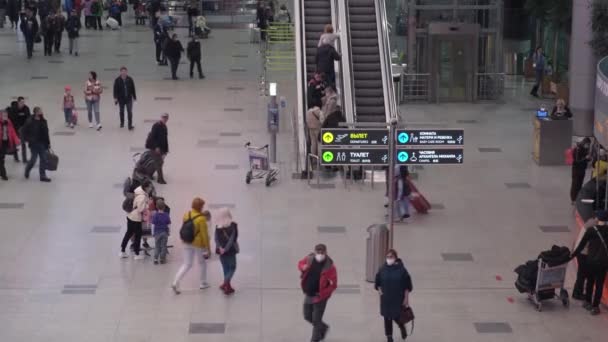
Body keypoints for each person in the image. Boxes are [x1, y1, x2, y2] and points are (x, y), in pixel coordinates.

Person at [571, 210, 608, 315]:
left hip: (590, 261)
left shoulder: (591, 230)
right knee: (599, 285)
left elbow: (581, 246)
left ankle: (587, 302)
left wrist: (572, 255)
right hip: (603, 263)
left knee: (590, 282)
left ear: (598, 219)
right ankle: (595, 306)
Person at [297, 244, 337, 342]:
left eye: (322, 252)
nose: (320, 254)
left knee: (316, 320)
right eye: (318, 252)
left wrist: (323, 294)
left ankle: (315, 339)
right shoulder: (309, 259)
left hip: (320, 297)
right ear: (315, 252)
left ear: (326, 252)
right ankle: (323, 327)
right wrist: (303, 267)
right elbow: (300, 264)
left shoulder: (330, 267)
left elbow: (333, 284)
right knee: (307, 316)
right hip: (308, 294)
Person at [171, 197, 211, 294]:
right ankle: (203, 283)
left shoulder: (186, 214)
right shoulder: (201, 219)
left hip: (186, 241)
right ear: (200, 207)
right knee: (202, 263)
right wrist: (208, 249)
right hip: (198, 244)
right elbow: (204, 235)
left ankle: (176, 282)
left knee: (187, 264)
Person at [374, 249, 412, 342]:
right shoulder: (382, 269)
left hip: (397, 298)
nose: (389, 259)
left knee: (396, 316)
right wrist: (379, 290)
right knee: (387, 317)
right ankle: (389, 337)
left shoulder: (402, 270)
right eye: (387, 257)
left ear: (395, 258)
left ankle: (401, 326)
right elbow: (377, 282)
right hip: (386, 299)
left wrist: (406, 298)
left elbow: (407, 285)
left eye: (391, 257)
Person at [119, 179, 151, 260]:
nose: (150, 189)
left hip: (130, 215)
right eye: (149, 187)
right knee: (138, 235)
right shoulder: (142, 196)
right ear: (146, 188)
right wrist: (147, 205)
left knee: (128, 233)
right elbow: (140, 209)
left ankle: (122, 251)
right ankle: (137, 254)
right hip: (136, 218)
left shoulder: (138, 190)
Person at [22, 107, 51, 182]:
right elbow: (24, 131)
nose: (41, 112)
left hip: (42, 144)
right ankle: (27, 170)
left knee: (43, 159)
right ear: (36, 113)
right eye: (40, 111)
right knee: (33, 160)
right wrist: (28, 139)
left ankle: (42, 175)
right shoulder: (30, 121)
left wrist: (48, 143)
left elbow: (46, 133)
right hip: (34, 144)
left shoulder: (44, 121)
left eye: (41, 111)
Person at [214, 208, 239, 295]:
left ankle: (226, 285)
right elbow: (232, 239)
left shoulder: (217, 226)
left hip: (221, 252)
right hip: (230, 251)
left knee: (225, 268)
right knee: (232, 267)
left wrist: (220, 248)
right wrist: (226, 249)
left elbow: (216, 239)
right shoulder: (233, 225)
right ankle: (226, 283)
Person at [144, 112, 169, 184]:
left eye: (166, 118)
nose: (165, 119)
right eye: (163, 117)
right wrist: (156, 147)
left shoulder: (164, 126)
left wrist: (166, 150)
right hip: (154, 148)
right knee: (159, 162)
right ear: (161, 118)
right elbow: (153, 137)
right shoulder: (156, 125)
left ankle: (149, 174)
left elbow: (165, 139)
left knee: (158, 162)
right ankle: (160, 179)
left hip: (161, 148)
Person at [7, 96, 30, 163]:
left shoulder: (26, 108)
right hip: (14, 129)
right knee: (14, 144)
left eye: (23, 102)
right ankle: (16, 157)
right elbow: (11, 120)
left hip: (23, 129)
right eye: (21, 102)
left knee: (23, 144)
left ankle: (24, 159)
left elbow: (28, 118)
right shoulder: (13, 109)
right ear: (18, 102)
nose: (23, 104)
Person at [0, 110, 20, 180]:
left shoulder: (8, 122)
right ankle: (3, 174)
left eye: (6, 115)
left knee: (1, 159)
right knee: (1, 159)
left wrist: (17, 140)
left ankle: (2, 173)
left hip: (4, 143)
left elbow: (12, 132)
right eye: (3, 115)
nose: (5, 116)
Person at [571, 138, 591, 204]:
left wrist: (588, 159)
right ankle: (573, 199)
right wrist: (585, 158)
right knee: (575, 184)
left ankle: (578, 198)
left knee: (580, 184)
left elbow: (585, 159)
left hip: (582, 170)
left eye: (589, 145)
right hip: (576, 170)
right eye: (587, 144)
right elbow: (577, 161)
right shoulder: (578, 149)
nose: (588, 146)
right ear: (584, 143)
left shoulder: (586, 149)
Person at [151, 198, 171, 264]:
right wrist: (169, 232)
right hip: (164, 233)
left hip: (157, 233)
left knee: (157, 246)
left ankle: (155, 259)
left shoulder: (155, 215)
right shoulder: (166, 215)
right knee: (163, 246)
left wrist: (152, 232)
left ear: (156, 207)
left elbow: (153, 225)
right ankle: (162, 259)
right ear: (164, 207)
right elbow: (169, 225)